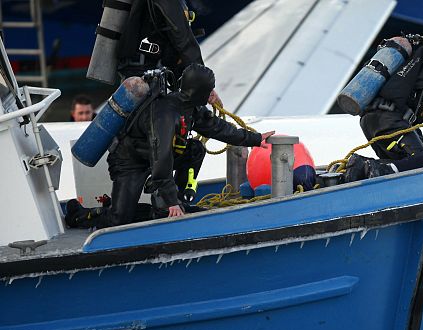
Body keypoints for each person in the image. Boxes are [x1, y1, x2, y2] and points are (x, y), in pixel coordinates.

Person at [65, 64, 273, 229]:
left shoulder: (191, 107)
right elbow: (161, 157)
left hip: (152, 156)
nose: (211, 94)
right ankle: (81, 214)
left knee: (194, 149)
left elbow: (217, 128)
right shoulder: (165, 114)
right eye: (208, 90)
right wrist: (169, 198)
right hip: (130, 160)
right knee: (119, 219)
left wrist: (255, 139)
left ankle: (175, 201)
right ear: (199, 91)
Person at [116, 0, 221, 105]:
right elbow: (183, 39)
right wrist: (203, 85)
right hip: (142, 76)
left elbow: (171, 45)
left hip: (145, 70)